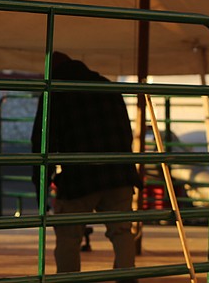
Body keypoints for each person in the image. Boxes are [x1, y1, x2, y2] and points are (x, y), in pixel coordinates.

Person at [31, 51, 140, 279]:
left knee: (69, 236)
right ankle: (126, 277)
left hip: (80, 176)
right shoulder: (107, 86)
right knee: (121, 231)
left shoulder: (54, 90)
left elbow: (43, 141)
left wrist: (40, 180)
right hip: (118, 172)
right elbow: (125, 132)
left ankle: (68, 278)